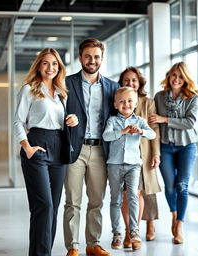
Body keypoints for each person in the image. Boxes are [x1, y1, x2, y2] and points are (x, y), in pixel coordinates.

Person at [14, 48, 78, 256]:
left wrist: (73, 120)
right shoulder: (29, 89)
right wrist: (27, 147)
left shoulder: (61, 93)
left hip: (58, 147)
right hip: (37, 146)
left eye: (55, 64)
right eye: (46, 63)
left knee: (52, 208)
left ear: (59, 67)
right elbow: (18, 121)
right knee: (44, 205)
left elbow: (62, 122)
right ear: (39, 66)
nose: (50, 68)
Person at [63, 38, 119, 256]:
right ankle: (73, 247)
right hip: (74, 150)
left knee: (96, 201)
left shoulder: (112, 88)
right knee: (72, 201)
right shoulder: (66, 83)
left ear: (102, 59)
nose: (92, 60)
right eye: (88, 56)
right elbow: (56, 113)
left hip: (100, 151)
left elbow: (119, 117)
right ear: (80, 58)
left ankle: (92, 244)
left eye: (96, 56)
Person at [149, 61, 198, 244]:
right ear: (169, 76)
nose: (176, 79)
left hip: (187, 146)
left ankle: (179, 224)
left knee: (182, 185)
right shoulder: (159, 97)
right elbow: (153, 120)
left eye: (180, 76)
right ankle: (174, 213)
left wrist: (165, 119)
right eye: (173, 75)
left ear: (185, 79)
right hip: (166, 147)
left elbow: (190, 123)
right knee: (170, 186)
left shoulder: (193, 97)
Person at [102, 87, 156, 250]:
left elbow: (152, 134)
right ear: (116, 104)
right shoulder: (112, 120)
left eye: (130, 101)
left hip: (134, 165)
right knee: (115, 199)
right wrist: (123, 131)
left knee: (133, 195)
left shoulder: (139, 120)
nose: (126, 104)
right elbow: (106, 136)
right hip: (115, 165)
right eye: (122, 101)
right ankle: (117, 233)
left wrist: (141, 131)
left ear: (136, 104)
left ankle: (134, 231)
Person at [118, 67, 161, 246]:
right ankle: (129, 231)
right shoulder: (118, 100)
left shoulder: (148, 102)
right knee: (127, 194)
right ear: (121, 83)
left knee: (145, 192)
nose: (131, 83)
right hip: (123, 155)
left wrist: (156, 153)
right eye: (127, 80)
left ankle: (148, 224)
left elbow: (155, 130)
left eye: (134, 80)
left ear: (139, 82)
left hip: (144, 153)